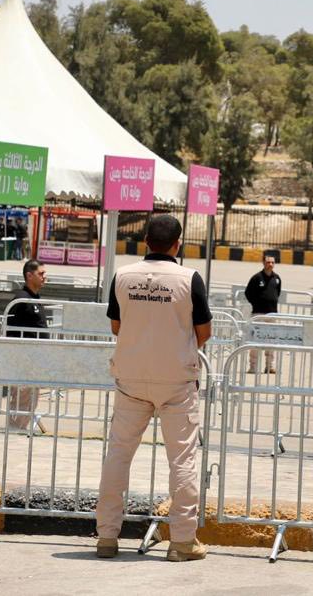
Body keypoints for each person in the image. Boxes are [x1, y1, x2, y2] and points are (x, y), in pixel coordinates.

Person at [95, 214, 212, 561]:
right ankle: (183, 541)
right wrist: (176, 349)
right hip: (177, 381)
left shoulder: (123, 276)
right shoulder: (190, 278)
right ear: (178, 244)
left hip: (131, 378)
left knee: (118, 456)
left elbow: (117, 326)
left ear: (145, 241)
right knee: (182, 460)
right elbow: (204, 332)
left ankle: (106, 537)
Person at [5, 259, 50, 432]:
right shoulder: (21, 300)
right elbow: (10, 330)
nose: (45, 277)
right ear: (29, 276)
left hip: (34, 359)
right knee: (22, 397)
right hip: (23, 359)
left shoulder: (34, 298)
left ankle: (19, 429)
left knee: (31, 397)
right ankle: (14, 430)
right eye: (41, 274)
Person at [243, 255, 282, 374]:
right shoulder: (256, 278)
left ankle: (269, 366)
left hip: (272, 315)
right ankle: (253, 367)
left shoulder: (277, 278)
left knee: (271, 341)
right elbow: (248, 293)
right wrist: (256, 303)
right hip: (258, 314)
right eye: (268, 262)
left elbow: (277, 292)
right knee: (255, 340)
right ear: (263, 263)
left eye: (272, 262)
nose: (270, 264)